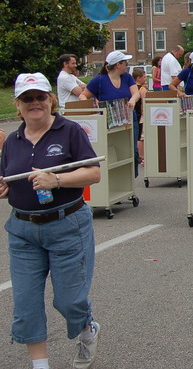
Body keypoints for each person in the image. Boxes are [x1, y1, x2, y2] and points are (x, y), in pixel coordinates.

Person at [0, 73, 102, 369]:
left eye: (40, 97)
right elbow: (9, 180)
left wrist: (55, 179)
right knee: (26, 304)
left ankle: (87, 329)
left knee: (70, 301)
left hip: (67, 226)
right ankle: (40, 365)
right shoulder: (13, 140)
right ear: (17, 105)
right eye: (27, 99)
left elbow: (93, 173)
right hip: (22, 231)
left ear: (51, 100)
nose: (35, 103)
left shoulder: (69, 131)